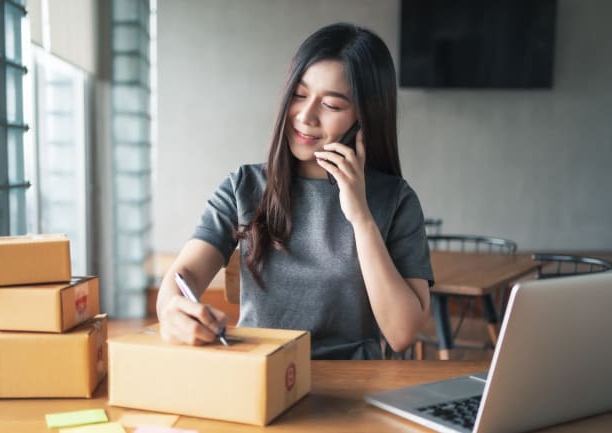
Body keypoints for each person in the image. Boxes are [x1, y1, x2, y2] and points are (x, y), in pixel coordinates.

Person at [156, 22, 434, 360]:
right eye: (299, 95)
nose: (305, 116)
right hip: (261, 375)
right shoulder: (242, 187)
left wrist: (361, 217)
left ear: (364, 119)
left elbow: (402, 333)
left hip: (351, 385)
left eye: (331, 105)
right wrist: (174, 311)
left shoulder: (396, 201)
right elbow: (181, 279)